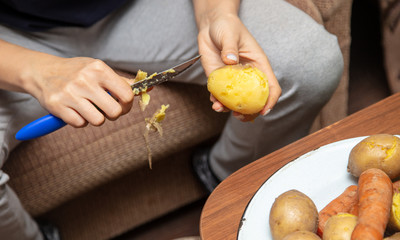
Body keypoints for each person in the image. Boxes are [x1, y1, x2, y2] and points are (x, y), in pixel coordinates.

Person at [0, 0, 343, 239]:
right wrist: (36, 72)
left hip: (138, 7)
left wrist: (215, 14)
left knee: (310, 61)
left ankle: (225, 176)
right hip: (10, 37)